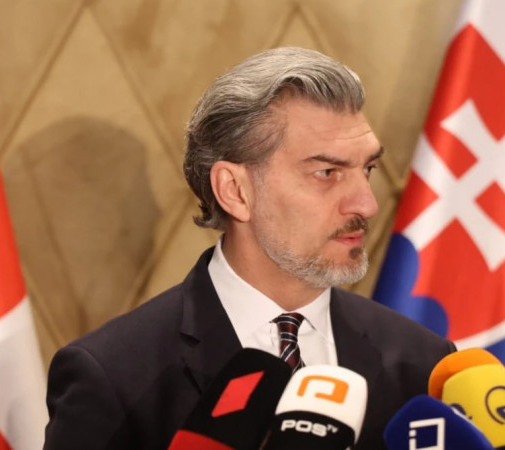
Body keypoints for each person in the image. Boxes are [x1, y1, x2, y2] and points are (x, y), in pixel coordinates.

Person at [43, 47, 455, 449]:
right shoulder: (113, 375)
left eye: (368, 169)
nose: (367, 204)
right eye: (327, 172)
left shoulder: (423, 362)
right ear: (235, 191)